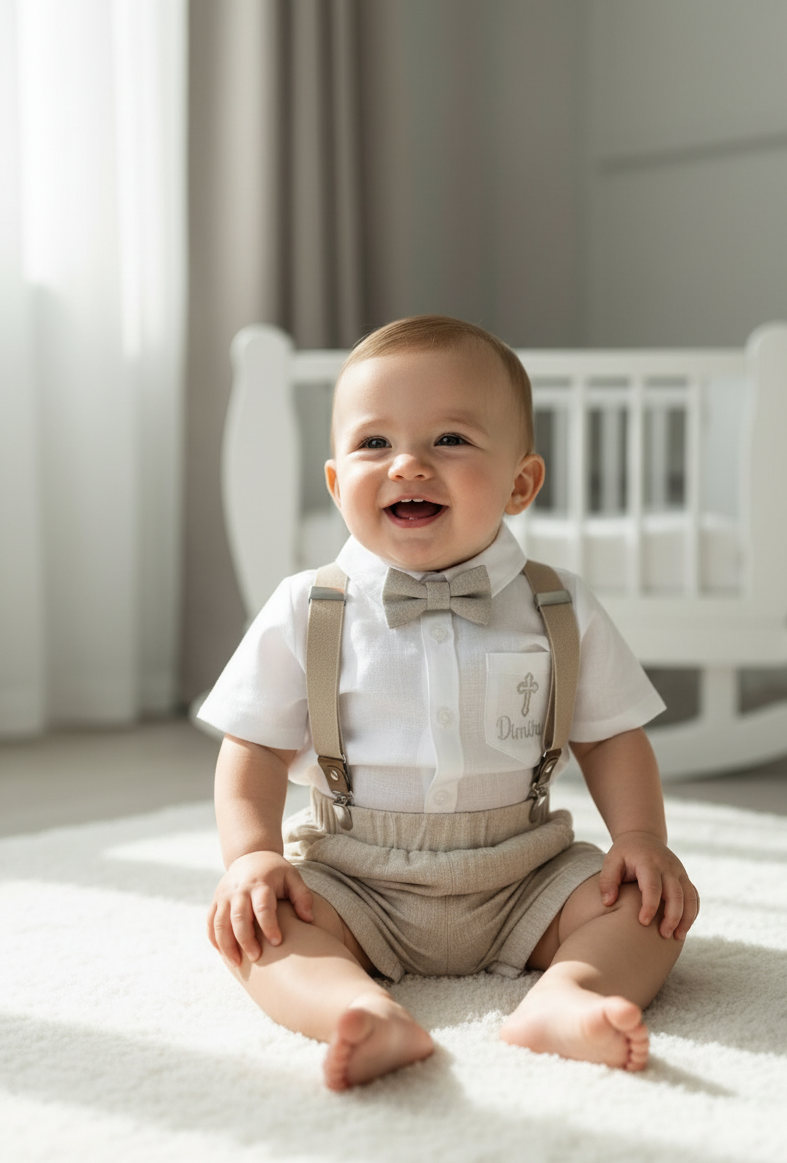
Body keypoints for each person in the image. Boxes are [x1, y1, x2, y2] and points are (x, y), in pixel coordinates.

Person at [199, 315, 699, 1092]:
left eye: (450, 441)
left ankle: (571, 995)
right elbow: (253, 749)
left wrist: (640, 837)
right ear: (336, 483)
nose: (408, 465)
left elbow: (611, 739)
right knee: (259, 932)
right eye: (373, 444)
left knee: (649, 906)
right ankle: (354, 1008)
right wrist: (253, 857)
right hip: (354, 877)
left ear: (520, 484)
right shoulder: (308, 607)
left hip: (523, 872)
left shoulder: (558, 604)